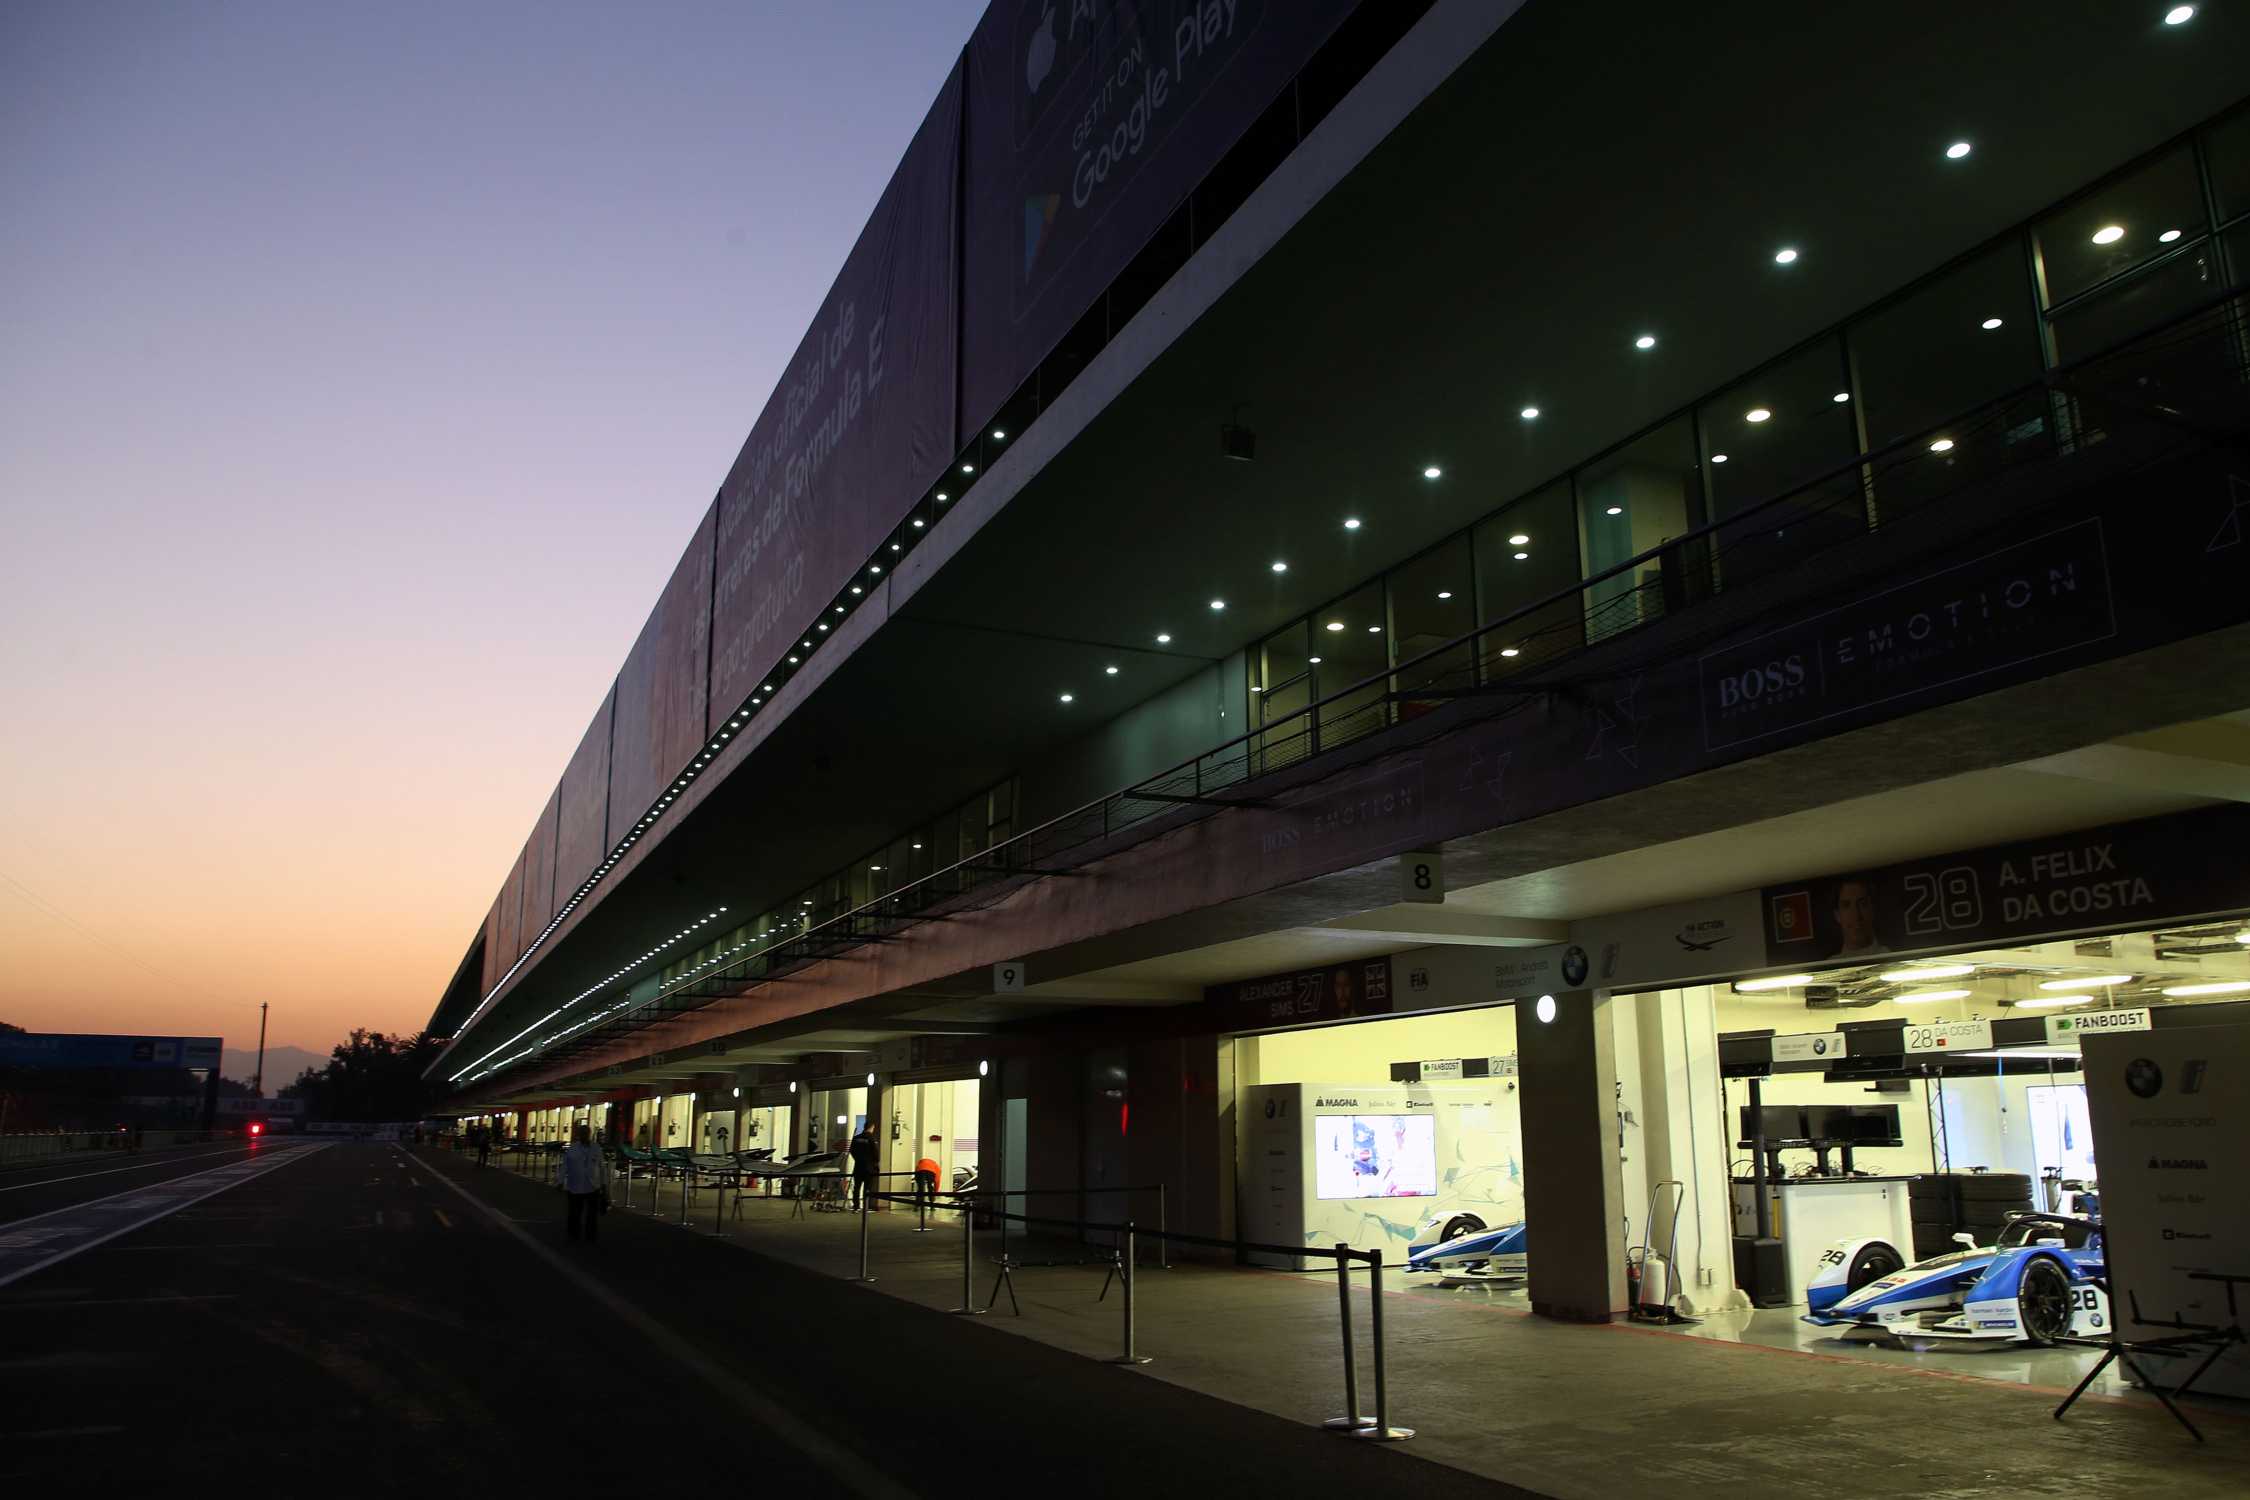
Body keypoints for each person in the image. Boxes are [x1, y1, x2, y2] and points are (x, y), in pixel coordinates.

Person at [559, 1123, 610, 1244]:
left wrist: (604, 1185)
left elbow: (602, 1167)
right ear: (578, 1135)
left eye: (586, 1133)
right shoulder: (573, 1148)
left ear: (589, 1134)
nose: (584, 1135)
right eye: (581, 1133)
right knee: (574, 1213)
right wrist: (560, 1181)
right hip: (575, 1186)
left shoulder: (596, 1148)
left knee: (592, 1215)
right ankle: (573, 1235)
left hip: (592, 1186)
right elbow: (565, 1166)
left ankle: (590, 1236)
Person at [848, 1123, 878, 1210]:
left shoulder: (856, 1138)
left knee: (856, 1187)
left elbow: (851, 1150)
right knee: (867, 1188)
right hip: (869, 1167)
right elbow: (875, 1153)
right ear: (872, 1127)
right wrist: (875, 1163)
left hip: (858, 1166)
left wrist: (857, 1159)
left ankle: (856, 1206)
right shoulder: (871, 1139)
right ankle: (866, 1206)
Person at [914, 1135, 942, 1214]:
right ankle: (932, 1206)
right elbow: (937, 1181)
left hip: (920, 1171)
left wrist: (918, 1181)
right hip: (930, 1172)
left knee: (920, 1189)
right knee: (930, 1188)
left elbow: (916, 1171)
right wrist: (935, 1192)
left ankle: (917, 1206)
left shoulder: (921, 1162)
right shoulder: (937, 1167)